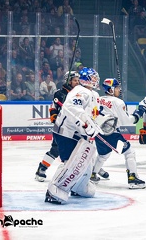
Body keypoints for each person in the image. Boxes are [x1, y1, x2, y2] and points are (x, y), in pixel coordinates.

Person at [44, 67, 101, 204]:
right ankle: (53, 190)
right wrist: (87, 125)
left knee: (86, 162)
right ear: (85, 79)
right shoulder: (80, 91)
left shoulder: (92, 94)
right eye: (93, 78)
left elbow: (94, 114)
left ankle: (79, 187)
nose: (95, 80)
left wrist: (96, 125)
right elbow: (73, 109)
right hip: (66, 132)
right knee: (69, 162)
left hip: (79, 134)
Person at [90, 78, 145, 189]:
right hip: (112, 135)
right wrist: (137, 115)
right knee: (129, 152)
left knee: (103, 155)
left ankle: (93, 174)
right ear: (111, 89)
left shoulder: (97, 99)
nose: (119, 90)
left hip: (98, 133)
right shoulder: (118, 102)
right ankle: (133, 178)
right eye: (117, 88)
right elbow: (126, 122)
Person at [35, 71, 80, 182]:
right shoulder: (59, 94)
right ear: (68, 81)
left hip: (75, 127)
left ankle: (90, 171)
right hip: (62, 126)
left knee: (79, 149)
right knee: (56, 149)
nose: (77, 82)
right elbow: (53, 108)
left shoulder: (79, 94)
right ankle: (42, 168)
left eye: (78, 80)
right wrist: (54, 117)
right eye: (75, 80)